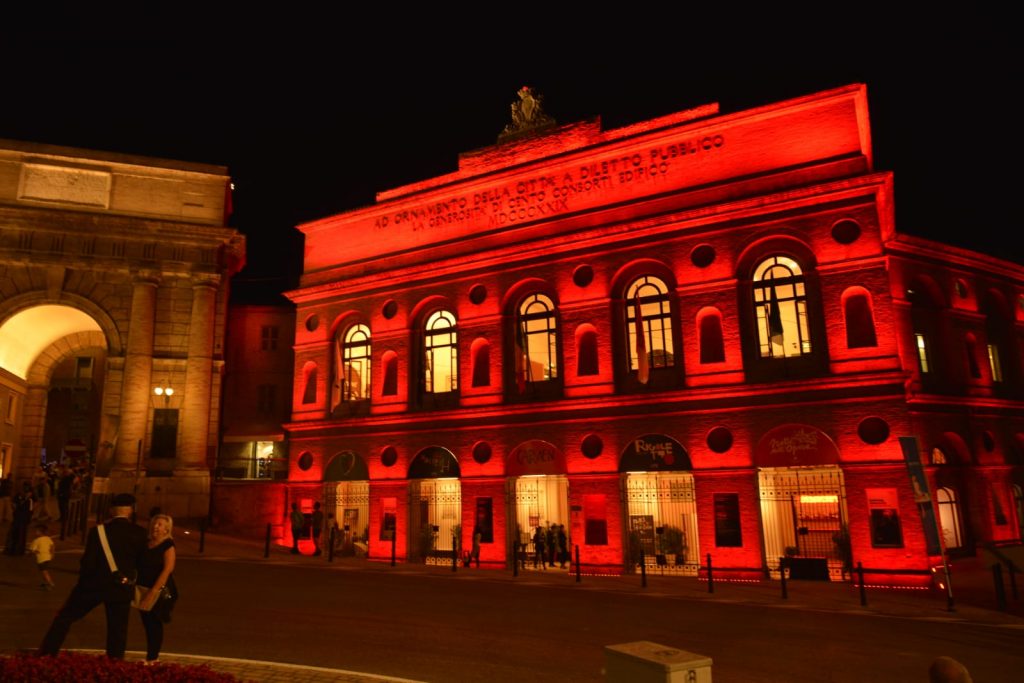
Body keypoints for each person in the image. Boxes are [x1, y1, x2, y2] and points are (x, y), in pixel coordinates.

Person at [38, 492, 148, 659]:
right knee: (118, 629)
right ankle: (114, 662)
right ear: (130, 510)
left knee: (65, 617)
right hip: (121, 586)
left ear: (112, 510)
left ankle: (47, 653)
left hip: (94, 585)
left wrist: (82, 585)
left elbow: (88, 562)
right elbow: (141, 563)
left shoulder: (98, 532)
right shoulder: (140, 533)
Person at [136, 514, 177, 665]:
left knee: (154, 623)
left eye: (160, 524)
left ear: (167, 529)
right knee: (147, 622)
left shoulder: (168, 545)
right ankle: (150, 656)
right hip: (142, 587)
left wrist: (153, 592)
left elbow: (167, 570)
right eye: (154, 523)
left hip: (157, 589)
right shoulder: (147, 543)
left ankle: (153, 658)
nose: (155, 527)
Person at [4, 481, 33, 555]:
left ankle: (17, 550)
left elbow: (30, 510)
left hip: (22, 519)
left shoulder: (29, 499)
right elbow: (14, 505)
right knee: (15, 534)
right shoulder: (19, 496)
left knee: (20, 534)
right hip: (18, 517)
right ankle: (12, 549)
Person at [28, 523, 56, 590]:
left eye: (36, 531)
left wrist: (30, 554)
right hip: (48, 557)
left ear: (39, 532)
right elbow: (52, 546)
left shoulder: (36, 541)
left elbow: (32, 550)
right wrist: (52, 554)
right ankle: (45, 582)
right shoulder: (48, 538)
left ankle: (50, 583)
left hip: (41, 558)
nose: (35, 533)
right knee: (44, 570)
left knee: (44, 571)